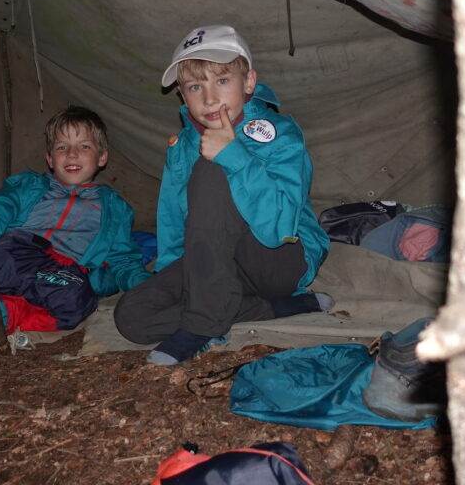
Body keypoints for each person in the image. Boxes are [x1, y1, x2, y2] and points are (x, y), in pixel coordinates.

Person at [114, 24, 331, 364]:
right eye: (195, 86)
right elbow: (173, 221)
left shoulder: (280, 135)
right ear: (182, 95)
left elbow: (280, 227)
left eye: (223, 80)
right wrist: (181, 277)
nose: (209, 98)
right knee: (132, 315)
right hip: (219, 269)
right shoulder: (182, 147)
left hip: (279, 258)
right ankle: (271, 309)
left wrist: (233, 155)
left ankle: (204, 324)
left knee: (212, 169)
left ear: (249, 82)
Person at [0, 105, 150, 330]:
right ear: (50, 158)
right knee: (3, 258)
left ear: (102, 157)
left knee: (78, 298)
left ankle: (16, 315)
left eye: (84, 146)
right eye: (62, 147)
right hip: (17, 253)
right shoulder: (28, 187)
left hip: (60, 273)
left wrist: (149, 286)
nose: (72, 154)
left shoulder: (115, 209)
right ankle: (2, 297)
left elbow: (124, 260)